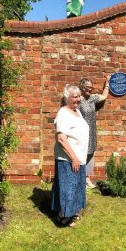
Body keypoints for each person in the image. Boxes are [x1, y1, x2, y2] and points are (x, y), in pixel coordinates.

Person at [51, 84, 89, 227]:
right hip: (68, 159)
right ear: (67, 98)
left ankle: (71, 212)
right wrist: (74, 158)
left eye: (79, 96)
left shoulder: (77, 111)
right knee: (68, 188)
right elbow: (61, 138)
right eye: (75, 96)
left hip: (79, 157)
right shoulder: (63, 113)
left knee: (76, 186)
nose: (78, 99)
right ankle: (63, 217)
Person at [78, 75, 111, 188]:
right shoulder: (77, 100)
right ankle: (79, 178)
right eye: (88, 87)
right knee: (80, 154)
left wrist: (107, 83)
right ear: (82, 87)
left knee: (90, 154)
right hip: (80, 132)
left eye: (91, 87)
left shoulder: (92, 98)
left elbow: (104, 96)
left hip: (91, 131)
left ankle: (87, 179)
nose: (90, 89)